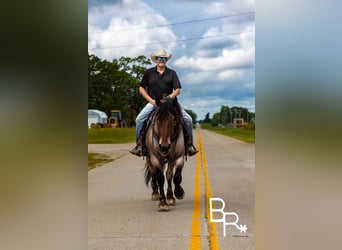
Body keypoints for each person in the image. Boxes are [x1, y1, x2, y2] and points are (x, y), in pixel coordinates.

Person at [130, 49, 198, 157]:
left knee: (188, 119)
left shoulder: (172, 73)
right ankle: (139, 146)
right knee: (139, 119)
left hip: (169, 103)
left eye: (164, 58)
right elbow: (142, 88)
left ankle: (189, 146)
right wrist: (151, 100)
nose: (161, 60)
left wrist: (167, 99)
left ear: (166, 60)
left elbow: (177, 90)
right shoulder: (149, 73)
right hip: (153, 102)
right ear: (156, 60)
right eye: (159, 58)